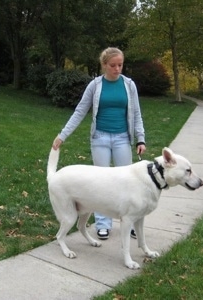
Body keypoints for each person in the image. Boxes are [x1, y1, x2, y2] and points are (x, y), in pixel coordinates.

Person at [52, 47, 146, 240]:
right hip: (100, 139)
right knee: (101, 185)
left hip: (122, 138)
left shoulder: (129, 85)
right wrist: (62, 135)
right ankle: (103, 224)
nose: (117, 69)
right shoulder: (95, 86)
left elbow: (136, 113)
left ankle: (132, 222)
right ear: (104, 65)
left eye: (120, 65)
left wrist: (140, 138)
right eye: (113, 65)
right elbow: (80, 111)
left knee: (129, 183)